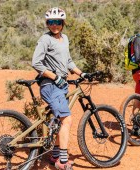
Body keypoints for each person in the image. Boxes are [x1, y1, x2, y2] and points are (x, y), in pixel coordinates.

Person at [32, 7, 89, 170]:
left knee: (58, 121)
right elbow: (36, 62)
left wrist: (81, 73)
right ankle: (62, 162)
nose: (54, 25)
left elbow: (68, 61)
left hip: (61, 85)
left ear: (63, 23)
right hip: (50, 85)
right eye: (51, 22)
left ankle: (55, 155)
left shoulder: (64, 38)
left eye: (57, 22)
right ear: (47, 23)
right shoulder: (45, 40)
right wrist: (55, 77)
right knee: (67, 120)